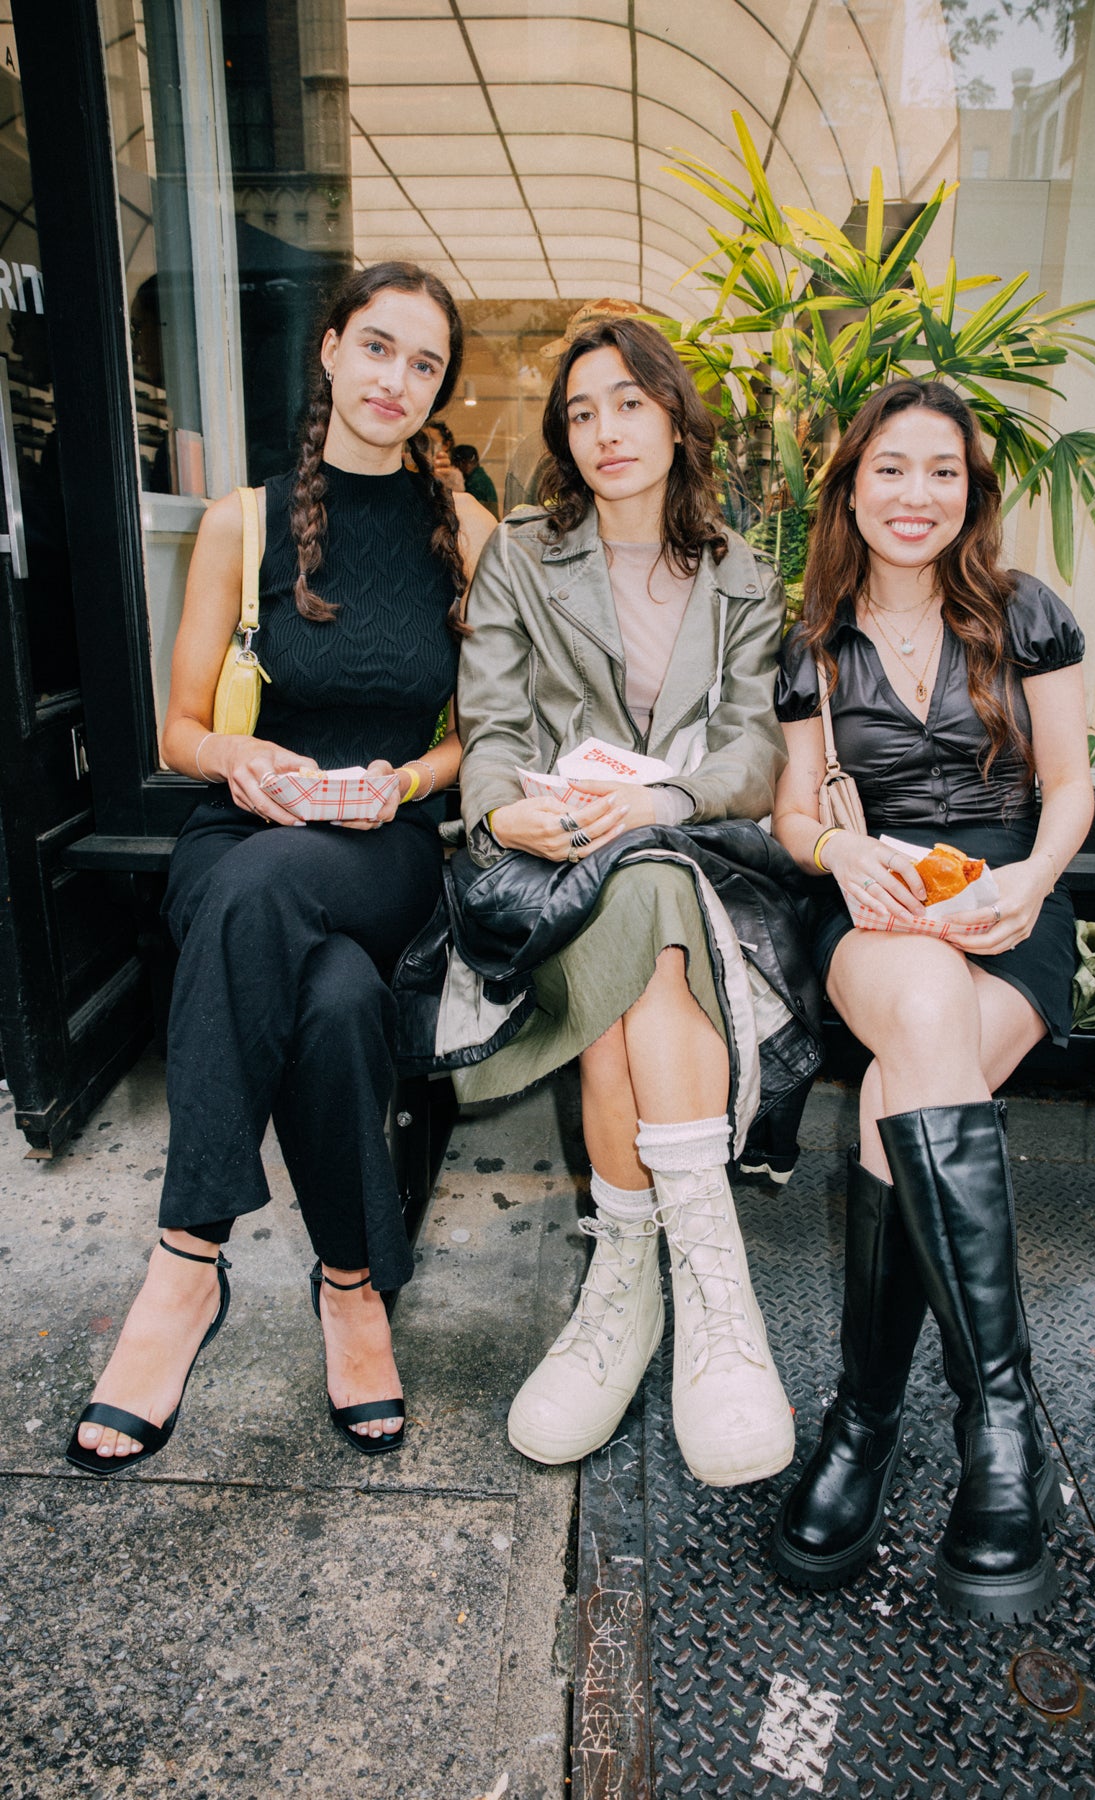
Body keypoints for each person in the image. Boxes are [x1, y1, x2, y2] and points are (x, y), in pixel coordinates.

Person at [65, 261, 495, 1474]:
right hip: (241, 832)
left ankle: (184, 1265)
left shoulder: (467, 533)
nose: (396, 379)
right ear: (332, 351)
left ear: (439, 390)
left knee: (274, 903)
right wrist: (239, 757)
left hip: (381, 850)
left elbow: (488, 738)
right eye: (378, 347)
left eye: (425, 364)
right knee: (336, 1002)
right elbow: (179, 731)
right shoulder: (241, 522)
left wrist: (404, 781)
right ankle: (351, 1286)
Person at [448, 316, 817, 1488]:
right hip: (555, 863)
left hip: (702, 858)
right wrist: (501, 811)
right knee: (632, 917)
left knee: (650, 889)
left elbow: (755, 752)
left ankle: (634, 1288)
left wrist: (664, 800)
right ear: (564, 437)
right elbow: (490, 724)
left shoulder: (740, 573)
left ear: (673, 417)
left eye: (629, 403)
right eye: (581, 412)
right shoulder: (523, 557)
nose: (605, 430)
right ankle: (711, 1293)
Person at [770, 378, 1094, 1621]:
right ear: (852, 487)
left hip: (1009, 902)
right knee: (915, 1008)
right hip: (875, 908)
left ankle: (864, 1421)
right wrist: (841, 853)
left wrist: (1031, 882)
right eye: (892, 470)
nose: (917, 495)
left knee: (891, 1104)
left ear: (973, 491)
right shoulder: (813, 642)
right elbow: (794, 812)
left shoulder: (1027, 614)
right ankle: (1001, 1424)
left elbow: (1070, 785)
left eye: (943, 472)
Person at [450, 443, 498, 517]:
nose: (455, 468)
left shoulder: (475, 482)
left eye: (455, 465)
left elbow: (469, 512)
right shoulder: (479, 477)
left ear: (462, 463)